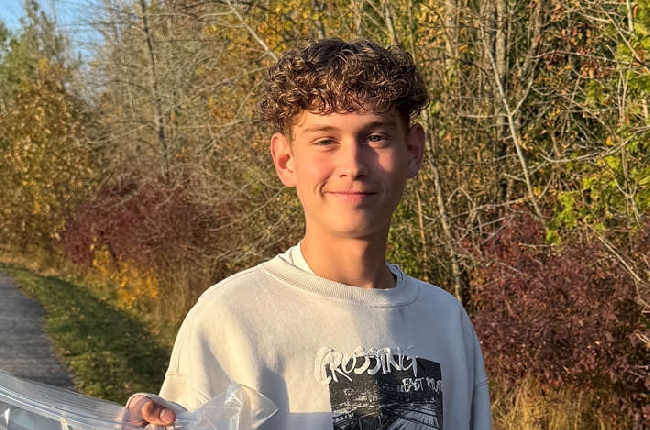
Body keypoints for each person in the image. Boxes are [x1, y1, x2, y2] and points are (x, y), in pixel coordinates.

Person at [131, 38, 492, 430]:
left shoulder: (446, 321)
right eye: (325, 141)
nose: (352, 165)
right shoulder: (230, 321)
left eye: (375, 137)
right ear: (286, 160)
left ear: (412, 151)